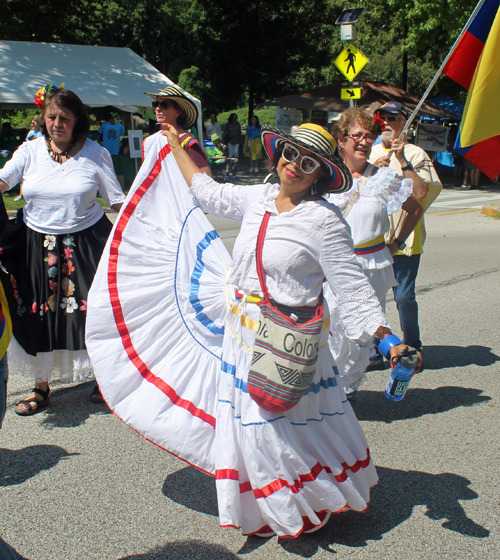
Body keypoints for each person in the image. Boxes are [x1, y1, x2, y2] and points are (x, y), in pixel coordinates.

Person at [87, 122, 419, 537]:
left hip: (289, 342)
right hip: (243, 340)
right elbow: (206, 190)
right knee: (254, 428)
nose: (294, 166)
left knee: (282, 428)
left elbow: (352, 289)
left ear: (320, 173)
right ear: (278, 153)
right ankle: (273, 504)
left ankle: (304, 502)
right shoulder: (256, 197)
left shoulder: (325, 221)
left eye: (308, 162)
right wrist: (175, 143)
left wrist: (388, 340)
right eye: (290, 154)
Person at [0, 86, 126, 415]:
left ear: (77, 121)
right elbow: (4, 180)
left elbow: (116, 200)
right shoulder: (29, 150)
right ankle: (41, 388)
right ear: (43, 119)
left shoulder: (96, 154)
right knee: (38, 315)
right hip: (34, 246)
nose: (57, 123)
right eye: (52, 116)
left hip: (85, 245)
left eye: (64, 118)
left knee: (92, 315)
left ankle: (104, 380)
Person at [328, 108, 423, 392]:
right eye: (356, 135)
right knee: (333, 328)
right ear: (341, 140)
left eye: (368, 135)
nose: (364, 141)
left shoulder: (383, 178)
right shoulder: (328, 178)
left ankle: (348, 390)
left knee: (363, 333)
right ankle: (330, 387)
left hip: (372, 264)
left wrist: (395, 244)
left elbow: (415, 208)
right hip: (334, 265)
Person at [369, 102, 442, 365]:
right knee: (371, 298)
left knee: (402, 297)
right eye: (382, 118)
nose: (387, 123)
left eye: (393, 118)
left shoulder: (416, 153)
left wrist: (402, 160)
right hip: (372, 239)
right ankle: (376, 348)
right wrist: (371, 169)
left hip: (405, 239)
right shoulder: (371, 151)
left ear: (405, 123)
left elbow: (421, 192)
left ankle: (412, 347)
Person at [143, 85, 211, 176]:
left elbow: (207, 180)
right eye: (156, 104)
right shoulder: (153, 140)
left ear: (178, 112)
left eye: (164, 105)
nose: (157, 108)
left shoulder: (188, 142)